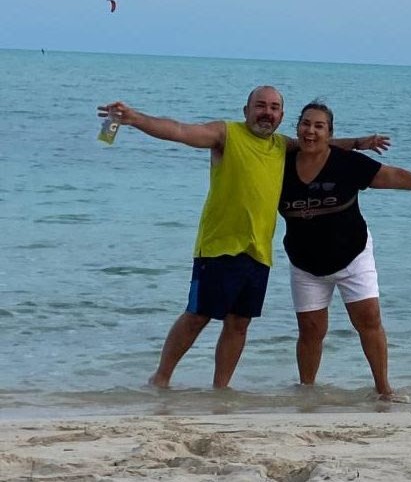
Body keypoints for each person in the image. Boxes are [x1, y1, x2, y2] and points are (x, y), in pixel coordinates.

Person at [96, 87, 389, 389]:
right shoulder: (226, 134)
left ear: (281, 116)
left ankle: (221, 388)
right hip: (219, 246)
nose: (267, 112)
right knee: (198, 315)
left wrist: (359, 143)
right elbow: (180, 130)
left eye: (274, 108)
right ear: (246, 110)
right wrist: (134, 118)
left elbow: (317, 145)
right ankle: (160, 379)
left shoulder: (280, 145)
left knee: (239, 323)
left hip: (258, 251)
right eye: (260, 106)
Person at [280, 100, 411, 399]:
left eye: (319, 126)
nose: (311, 131)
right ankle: (307, 392)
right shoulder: (281, 163)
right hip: (305, 263)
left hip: (352, 255)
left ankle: (383, 389)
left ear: (329, 133)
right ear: (297, 128)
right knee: (311, 329)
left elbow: (394, 176)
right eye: (305, 124)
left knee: (368, 319)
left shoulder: (346, 162)